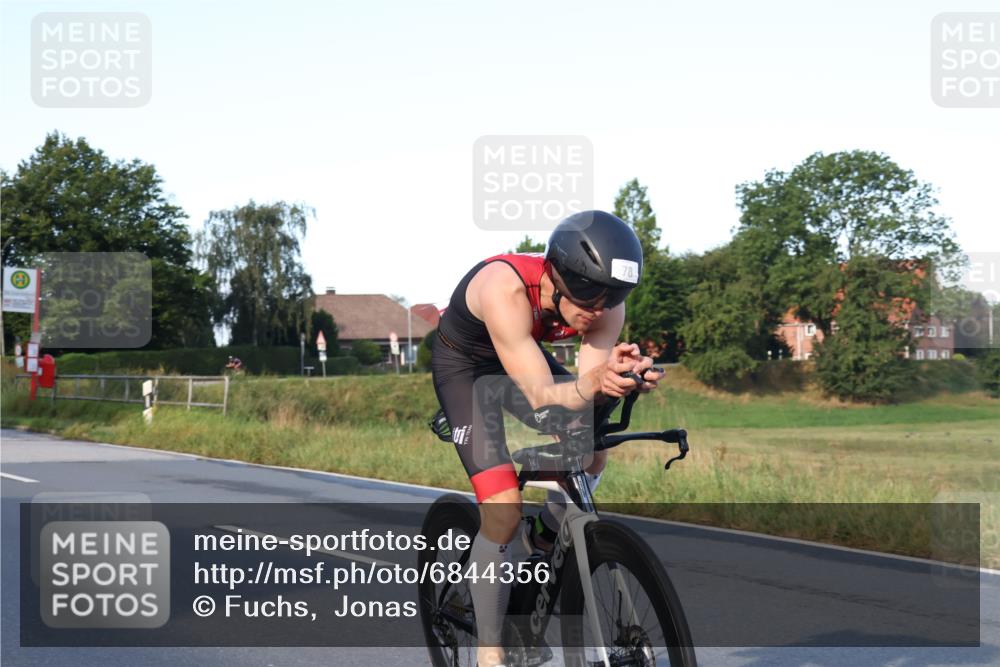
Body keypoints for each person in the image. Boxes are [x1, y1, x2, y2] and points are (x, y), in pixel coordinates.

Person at [431, 210, 664, 667]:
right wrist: (592, 386)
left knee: (592, 455)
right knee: (501, 511)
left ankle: (544, 538)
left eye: (611, 297)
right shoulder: (505, 288)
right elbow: (542, 396)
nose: (598, 308)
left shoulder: (605, 305)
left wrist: (618, 377)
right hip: (466, 369)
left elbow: (584, 386)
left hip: (519, 358)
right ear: (556, 275)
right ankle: (490, 650)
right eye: (588, 295)